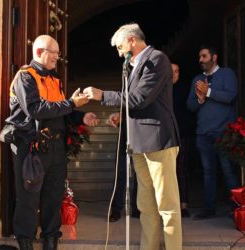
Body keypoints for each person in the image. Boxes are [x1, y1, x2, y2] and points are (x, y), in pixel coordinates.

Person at [83, 23, 182, 250]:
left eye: (119, 47)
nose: (119, 53)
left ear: (131, 41)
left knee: (167, 205)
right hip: (138, 143)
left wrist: (102, 95)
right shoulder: (133, 65)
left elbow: (139, 99)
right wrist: (122, 115)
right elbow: (136, 103)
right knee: (145, 205)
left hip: (158, 141)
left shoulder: (157, 59)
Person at [6, 35, 99, 250]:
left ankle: (50, 238)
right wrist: (70, 103)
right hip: (31, 146)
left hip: (56, 148)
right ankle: (25, 240)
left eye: (58, 53)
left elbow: (60, 111)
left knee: (53, 195)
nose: (58, 57)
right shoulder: (25, 77)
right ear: (39, 52)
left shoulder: (55, 78)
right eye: (54, 53)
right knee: (28, 196)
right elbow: (35, 110)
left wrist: (80, 116)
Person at [186, 45, 239, 220]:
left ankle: (236, 209)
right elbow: (190, 105)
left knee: (228, 170)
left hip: (224, 133)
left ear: (214, 57)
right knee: (208, 172)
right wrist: (200, 99)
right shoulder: (197, 79)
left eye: (204, 56)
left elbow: (230, 96)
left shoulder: (227, 74)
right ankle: (209, 209)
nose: (200, 60)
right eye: (199, 57)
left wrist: (207, 92)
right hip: (203, 134)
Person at [172, 63, 195, 218]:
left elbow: (190, 109)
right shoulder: (159, 88)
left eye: (177, 71)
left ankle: (183, 205)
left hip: (182, 134)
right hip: (164, 136)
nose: (174, 74)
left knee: (181, 169)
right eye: (171, 71)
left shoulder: (185, 88)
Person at [107, 112, 139, 222]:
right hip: (126, 130)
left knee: (141, 174)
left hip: (142, 130)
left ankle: (137, 208)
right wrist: (120, 115)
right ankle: (116, 209)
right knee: (120, 172)